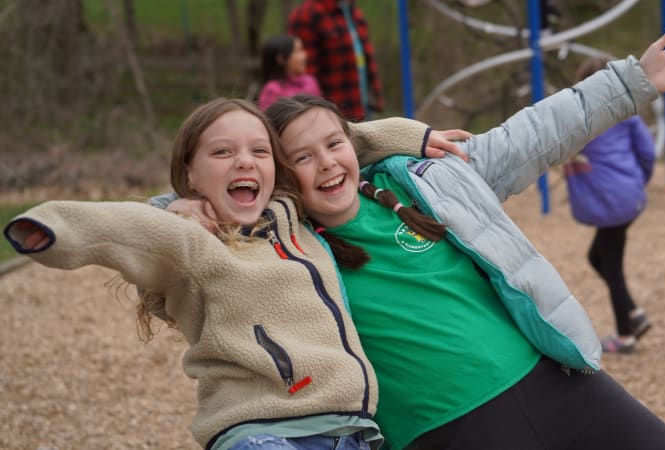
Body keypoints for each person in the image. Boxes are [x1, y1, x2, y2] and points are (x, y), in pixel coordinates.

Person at [164, 26, 665, 449]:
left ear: (354, 147)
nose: (326, 165)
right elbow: (173, 232)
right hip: (447, 430)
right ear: (283, 178)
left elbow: (532, 135)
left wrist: (632, 82)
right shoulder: (282, 244)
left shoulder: (424, 180)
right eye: (302, 159)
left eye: (333, 145)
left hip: (556, 383)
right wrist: (182, 205)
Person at [2, 98, 466, 450]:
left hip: (350, 432)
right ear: (190, 174)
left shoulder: (292, 211)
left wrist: (413, 137)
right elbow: (132, 227)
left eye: (259, 151)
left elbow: (335, 139)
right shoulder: (195, 241)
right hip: (264, 434)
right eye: (222, 152)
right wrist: (55, 227)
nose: (244, 161)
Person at [564, 56, 657, 354]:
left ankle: (626, 336)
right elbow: (647, 152)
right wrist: (637, 182)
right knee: (597, 257)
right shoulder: (627, 113)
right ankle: (634, 313)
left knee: (612, 266)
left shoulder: (579, 117)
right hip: (628, 196)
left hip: (609, 202)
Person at [288, 0, 382, 122]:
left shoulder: (352, 10)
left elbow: (366, 60)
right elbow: (303, 76)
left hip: (363, 108)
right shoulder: (307, 14)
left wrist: (375, 96)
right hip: (332, 116)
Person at [257, 34, 321, 111]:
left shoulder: (310, 81)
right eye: (298, 51)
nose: (304, 55)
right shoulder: (272, 90)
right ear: (281, 59)